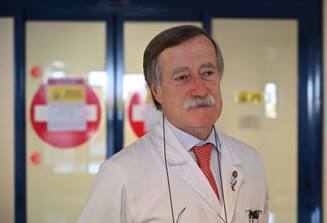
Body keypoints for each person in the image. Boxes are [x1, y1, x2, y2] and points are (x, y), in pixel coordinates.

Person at [77, 25, 269, 223]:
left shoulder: (250, 161)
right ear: (157, 91)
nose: (201, 90)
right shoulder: (120, 174)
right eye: (183, 78)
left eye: (208, 73)